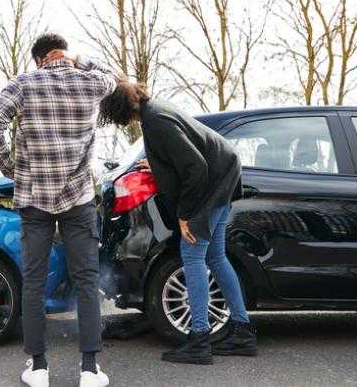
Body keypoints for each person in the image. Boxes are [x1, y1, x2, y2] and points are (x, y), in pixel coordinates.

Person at [0, 32, 117, 387]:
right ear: (63, 53)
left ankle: (38, 367)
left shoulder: (24, 82)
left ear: (38, 59)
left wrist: (10, 168)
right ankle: (90, 370)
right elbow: (113, 78)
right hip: (78, 198)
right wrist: (81, 60)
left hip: (34, 197)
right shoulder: (91, 82)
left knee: (35, 281)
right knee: (87, 280)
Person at [98, 81, 257, 365]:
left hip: (213, 181)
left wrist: (185, 216)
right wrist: (158, 166)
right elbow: (182, 157)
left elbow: (195, 167)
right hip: (224, 174)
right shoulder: (155, 110)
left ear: (120, 109)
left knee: (192, 256)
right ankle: (243, 332)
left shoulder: (156, 119)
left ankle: (199, 340)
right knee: (216, 257)